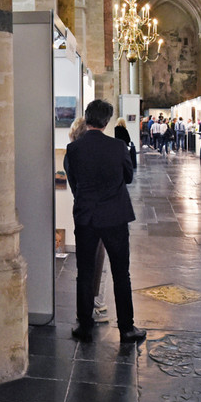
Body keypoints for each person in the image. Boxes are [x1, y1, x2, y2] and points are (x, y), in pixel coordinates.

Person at [64, 99, 145, 345]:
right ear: (107, 121)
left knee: (85, 273)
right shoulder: (118, 147)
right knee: (122, 274)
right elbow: (129, 177)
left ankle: (85, 326)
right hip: (115, 216)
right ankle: (127, 329)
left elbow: (74, 183)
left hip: (86, 216)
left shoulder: (74, 149)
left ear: (87, 118)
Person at [70, 117, 111, 324]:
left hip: (83, 212)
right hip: (98, 214)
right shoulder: (89, 154)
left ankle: (85, 311)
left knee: (85, 266)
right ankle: (95, 304)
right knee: (97, 262)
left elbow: (74, 185)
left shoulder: (72, 153)